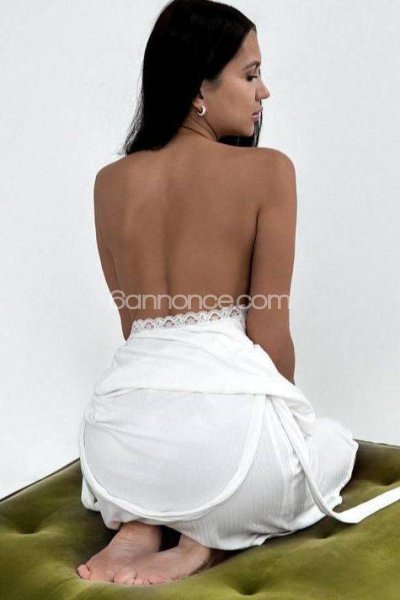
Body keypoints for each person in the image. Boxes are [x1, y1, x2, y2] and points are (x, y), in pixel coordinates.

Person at [76, 0, 400, 587]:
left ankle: (139, 524)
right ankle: (202, 543)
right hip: (226, 456)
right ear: (200, 86)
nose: (264, 91)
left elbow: (136, 334)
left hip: (116, 451)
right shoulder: (269, 172)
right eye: (251, 75)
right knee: (334, 445)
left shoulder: (109, 184)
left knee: (171, 445)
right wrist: (289, 430)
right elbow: (268, 335)